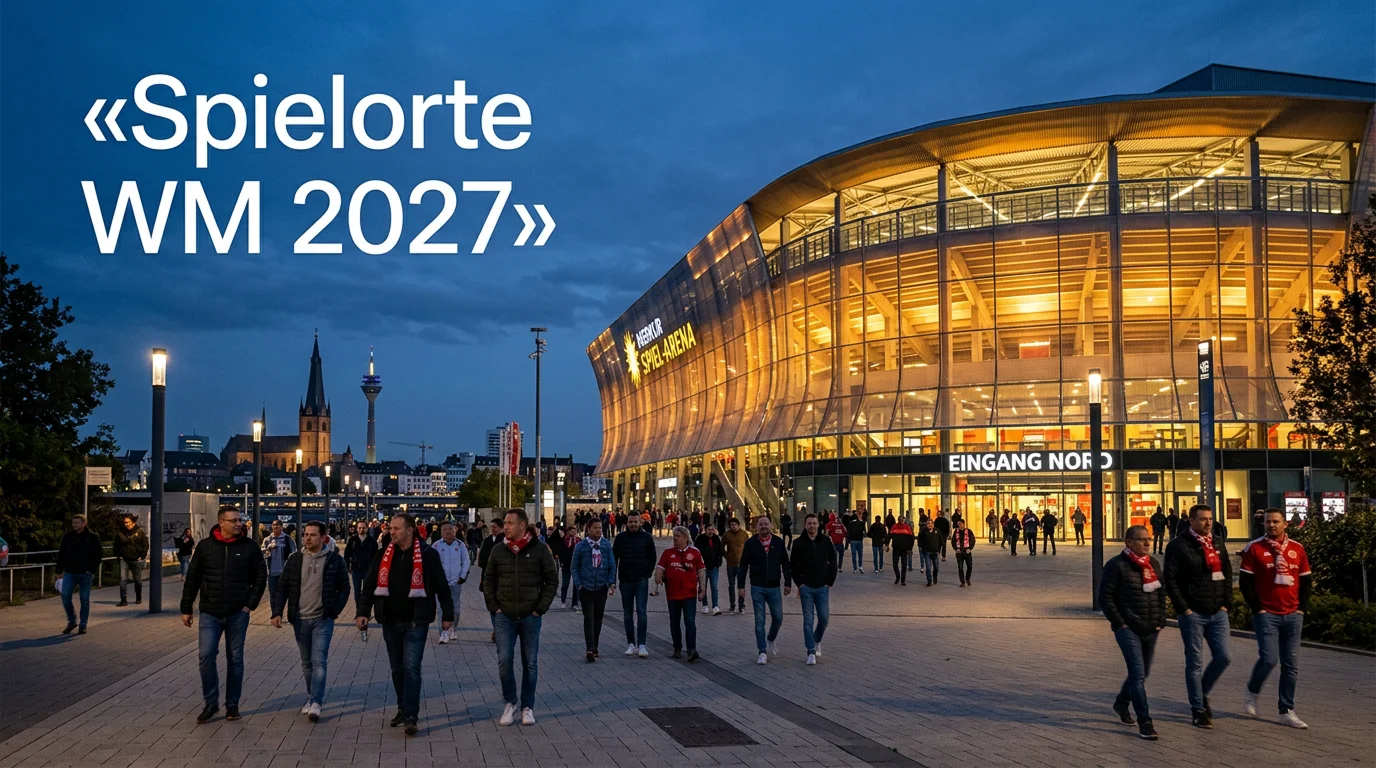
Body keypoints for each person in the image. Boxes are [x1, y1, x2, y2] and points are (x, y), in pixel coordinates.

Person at [356, 513, 453, 735]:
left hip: (415, 621)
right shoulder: (383, 553)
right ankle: (402, 707)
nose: (392, 532)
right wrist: (362, 612)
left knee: (411, 668)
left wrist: (448, 616)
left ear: (410, 531)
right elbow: (369, 584)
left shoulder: (428, 555)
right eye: (391, 528)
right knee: (397, 670)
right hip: (389, 620)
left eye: (397, 528)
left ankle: (411, 715)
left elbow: (441, 587)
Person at [181, 506, 268, 724]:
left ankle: (232, 704)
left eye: (240, 520)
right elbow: (193, 577)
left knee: (235, 659)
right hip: (210, 612)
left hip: (238, 612)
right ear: (221, 523)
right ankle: (211, 702)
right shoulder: (205, 547)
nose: (239, 524)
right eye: (234, 521)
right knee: (206, 655)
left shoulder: (249, 547)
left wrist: (250, 604)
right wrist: (186, 607)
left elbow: (260, 576)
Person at [482, 509, 558, 727]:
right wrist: (493, 607)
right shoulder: (499, 550)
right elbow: (489, 579)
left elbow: (552, 580)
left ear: (523, 526)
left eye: (509, 523)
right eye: (504, 523)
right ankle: (510, 702)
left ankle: (527, 707)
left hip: (530, 615)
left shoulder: (540, 549)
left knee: (530, 662)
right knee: (504, 661)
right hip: (504, 615)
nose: (505, 526)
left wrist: (540, 608)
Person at [269, 520, 350, 722]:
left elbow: (344, 588)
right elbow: (283, 587)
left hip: (323, 619)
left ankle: (316, 701)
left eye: (312, 535)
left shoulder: (334, 560)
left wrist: (334, 610)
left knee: (319, 661)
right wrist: (277, 611)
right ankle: (311, 695)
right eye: (305, 534)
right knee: (307, 663)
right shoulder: (295, 559)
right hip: (300, 618)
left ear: (323, 538)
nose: (307, 538)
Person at [1240, 508, 1312, 729]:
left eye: (1276, 522)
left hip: (1292, 614)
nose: (1271, 525)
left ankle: (1286, 710)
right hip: (1267, 614)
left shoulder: (1297, 549)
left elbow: (1306, 581)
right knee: (1269, 659)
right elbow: (1245, 583)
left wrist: (1302, 609)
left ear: (1285, 524)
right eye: (1268, 522)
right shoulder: (1254, 548)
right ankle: (1252, 691)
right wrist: (1258, 608)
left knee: (1291, 665)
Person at [1163, 504, 1232, 729]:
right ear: (1191, 521)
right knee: (1195, 663)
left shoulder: (1218, 542)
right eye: (1203, 519)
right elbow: (1170, 580)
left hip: (1217, 611)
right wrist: (1184, 609)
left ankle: (1201, 692)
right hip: (1193, 613)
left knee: (1223, 657)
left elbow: (1228, 573)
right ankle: (1198, 709)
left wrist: (1226, 604)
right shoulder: (1178, 545)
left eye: (1210, 519)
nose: (1208, 523)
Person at [1099, 525, 1167, 741]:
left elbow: (1161, 592)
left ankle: (1121, 703)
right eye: (1141, 539)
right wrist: (1120, 623)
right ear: (1128, 542)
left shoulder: (1153, 563)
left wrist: (1160, 620)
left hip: (1151, 628)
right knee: (1137, 674)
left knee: (1143, 673)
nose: (1147, 543)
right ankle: (1145, 721)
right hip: (1128, 629)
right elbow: (1105, 598)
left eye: (1149, 539)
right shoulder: (1116, 565)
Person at [739, 515, 792, 664]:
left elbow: (785, 563)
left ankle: (770, 639)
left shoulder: (778, 542)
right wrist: (740, 586)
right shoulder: (751, 543)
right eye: (761, 524)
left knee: (778, 617)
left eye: (766, 524)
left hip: (774, 587)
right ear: (757, 527)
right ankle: (762, 651)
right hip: (757, 587)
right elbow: (743, 565)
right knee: (759, 620)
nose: (763, 527)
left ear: (771, 526)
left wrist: (788, 582)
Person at [653, 526, 706, 661]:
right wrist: (658, 576)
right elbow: (660, 567)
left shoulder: (695, 553)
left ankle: (691, 650)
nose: (675, 538)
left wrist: (703, 588)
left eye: (678, 536)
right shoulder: (668, 552)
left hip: (689, 594)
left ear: (685, 538)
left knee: (689, 621)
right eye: (674, 536)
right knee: (674, 621)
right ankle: (677, 647)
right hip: (672, 594)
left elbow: (701, 570)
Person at [789, 513, 836, 665]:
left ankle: (817, 640)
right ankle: (810, 651)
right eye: (809, 523)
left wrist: (830, 581)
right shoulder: (798, 543)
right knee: (808, 620)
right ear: (805, 525)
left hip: (823, 587)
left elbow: (833, 560)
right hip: (806, 588)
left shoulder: (826, 541)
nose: (812, 526)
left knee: (824, 619)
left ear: (818, 525)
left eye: (814, 523)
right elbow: (793, 566)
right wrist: (800, 583)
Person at [570, 519, 616, 662]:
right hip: (586, 587)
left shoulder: (606, 545)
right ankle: (589, 648)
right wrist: (579, 584)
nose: (598, 530)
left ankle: (595, 645)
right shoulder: (581, 546)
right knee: (588, 618)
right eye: (595, 528)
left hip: (601, 587)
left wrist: (610, 582)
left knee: (598, 618)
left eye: (600, 528)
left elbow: (612, 565)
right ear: (588, 529)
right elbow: (574, 567)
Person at [612, 513, 656, 657]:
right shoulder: (620, 538)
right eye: (631, 522)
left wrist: (647, 573)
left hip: (641, 580)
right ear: (627, 523)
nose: (633, 525)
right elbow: (614, 559)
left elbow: (652, 558)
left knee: (642, 613)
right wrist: (613, 580)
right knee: (627, 613)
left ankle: (642, 644)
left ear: (640, 522)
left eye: (635, 522)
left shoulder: (647, 538)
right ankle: (631, 643)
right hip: (625, 580)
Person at [56, 514, 103, 635]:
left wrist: (91, 570)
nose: (74, 525)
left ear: (84, 523)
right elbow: (62, 554)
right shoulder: (68, 537)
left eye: (77, 522)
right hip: (70, 572)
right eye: (73, 523)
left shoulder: (92, 537)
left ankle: (83, 624)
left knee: (84, 599)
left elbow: (98, 555)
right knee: (65, 596)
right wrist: (59, 571)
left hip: (85, 574)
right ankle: (72, 620)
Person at [432, 521, 471, 645]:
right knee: (441, 608)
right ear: (441, 532)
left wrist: (462, 576)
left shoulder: (460, 545)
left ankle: (453, 628)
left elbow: (466, 561)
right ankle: (443, 632)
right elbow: (431, 563)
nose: (448, 531)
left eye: (450, 529)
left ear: (454, 530)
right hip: (441, 583)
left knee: (456, 609)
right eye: (445, 530)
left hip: (455, 582)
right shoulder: (436, 546)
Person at [477, 518, 504, 643]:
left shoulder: (505, 540)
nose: (492, 529)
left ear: (500, 527)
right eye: (491, 526)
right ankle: (496, 628)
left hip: (502, 579)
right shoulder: (487, 541)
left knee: (501, 606)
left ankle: (500, 630)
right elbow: (481, 560)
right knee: (492, 605)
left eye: (494, 527)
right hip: (488, 578)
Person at [112, 514, 149, 607]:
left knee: (137, 580)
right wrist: (118, 555)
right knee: (123, 580)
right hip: (124, 559)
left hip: (136, 560)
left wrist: (142, 556)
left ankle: (138, 598)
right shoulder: (120, 533)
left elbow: (145, 545)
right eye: (125, 522)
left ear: (133, 522)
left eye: (128, 522)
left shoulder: (140, 533)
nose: (126, 524)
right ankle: (123, 600)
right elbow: (116, 545)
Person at [344, 522, 378, 614]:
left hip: (368, 570)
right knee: (357, 592)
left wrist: (374, 569)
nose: (361, 530)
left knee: (367, 591)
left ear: (367, 528)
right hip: (356, 569)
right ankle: (359, 612)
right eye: (359, 528)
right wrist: (347, 567)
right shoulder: (353, 540)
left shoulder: (372, 541)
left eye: (363, 528)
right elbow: (347, 554)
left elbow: (376, 556)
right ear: (357, 529)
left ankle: (366, 612)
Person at [262, 520, 297, 600]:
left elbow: (294, 552)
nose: (275, 527)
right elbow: (262, 552)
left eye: (277, 525)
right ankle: (274, 611)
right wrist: (268, 549)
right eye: (273, 525)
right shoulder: (268, 539)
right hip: (271, 572)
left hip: (284, 571)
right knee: (273, 595)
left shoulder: (288, 539)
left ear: (281, 527)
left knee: (284, 594)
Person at [695, 523, 725, 614]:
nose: (710, 531)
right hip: (702, 568)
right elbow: (696, 551)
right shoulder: (700, 539)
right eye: (709, 529)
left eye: (712, 529)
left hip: (714, 567)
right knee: (703, 587)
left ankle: (715, 606)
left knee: (714, 587)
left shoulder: (716, 539)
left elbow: (720, 551)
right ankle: (705, 606)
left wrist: (719, 561)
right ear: (705, 530)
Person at [722, 517, 749, 614]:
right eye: (731, 525)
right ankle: (732, 605)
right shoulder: (726, 535)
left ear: (738, 525)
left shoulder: (744, 534)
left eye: (734, 525)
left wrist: (746, 559)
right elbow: (722, 547)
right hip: (730, 564)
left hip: (741, 564)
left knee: (741, 586)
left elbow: (748, 547)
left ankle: (741, 606)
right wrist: (727, 556)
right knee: (731, 585)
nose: (733, 527)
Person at [888, 517, 914, 586]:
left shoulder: (907, 527)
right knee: (895, 564)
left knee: (904, 565)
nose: (901, 521)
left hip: (904, 549)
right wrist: (886, 544)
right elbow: (889, 536)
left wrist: (910, 549)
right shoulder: (894, 527)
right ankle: (897, 576)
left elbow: (911, 539)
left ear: (904, 520)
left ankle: (903, 580)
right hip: (896, 549)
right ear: (898, 520)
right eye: (900, 519)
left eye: (903, 520)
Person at [916, 518, 942, 586]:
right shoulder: (923, 531)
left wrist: (939, 550)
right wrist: (920, 547)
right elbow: (919, 540)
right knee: (928, 567)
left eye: (931, 523)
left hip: (935, 552)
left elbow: (941, 541)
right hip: (926, 551)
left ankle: (935, 576)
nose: (929, 525)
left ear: (933, 524)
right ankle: (929, 580)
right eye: (928, 524)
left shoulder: (937, 530)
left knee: (936, 567)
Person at [951, 518, 976, 587]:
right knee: (960, 567)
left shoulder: (968, 531)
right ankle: (962, 581)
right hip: (959, 552)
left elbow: (973, 540)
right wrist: (955, 549)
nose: (960, 525)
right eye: (958, 524)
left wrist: (970, 548)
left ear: (964, 524)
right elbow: (953, 541)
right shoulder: (956, 531)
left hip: (967, 551)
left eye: (961, 524)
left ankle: (967, 579)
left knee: (970, 566)